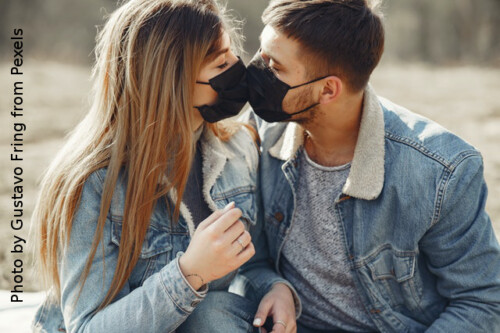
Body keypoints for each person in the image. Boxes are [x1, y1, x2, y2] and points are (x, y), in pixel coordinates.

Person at [237, 0, 500, 332]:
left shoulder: (441, 172)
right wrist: (274, 286)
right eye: (261, 54)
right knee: (214, 314)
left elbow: (482, 300)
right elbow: (254, 259)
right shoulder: (260, 132)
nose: (255, 71)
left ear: (328, 89)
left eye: (273, 66)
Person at [29, 0, 288, 331]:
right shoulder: (94, 182)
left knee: (212, 313)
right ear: (170, 82)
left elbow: (255, 261)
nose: (239, 68)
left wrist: (275, 288)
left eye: (231, 53)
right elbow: (87, 327)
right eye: (221, 64)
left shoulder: (239, 147)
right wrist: (190, 273)